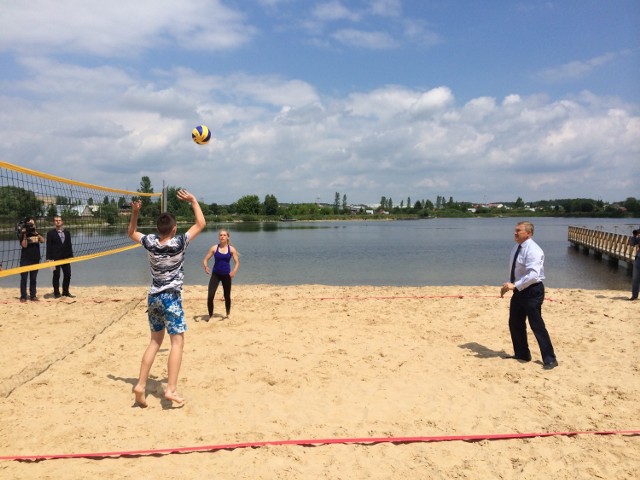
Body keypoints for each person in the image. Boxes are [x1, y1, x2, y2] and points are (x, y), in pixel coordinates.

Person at [128, 189, 205, 407]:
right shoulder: (179, 243)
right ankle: (170, 390)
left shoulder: (151, 242)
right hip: (171, 297)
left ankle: (140, 385)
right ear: (174, 229)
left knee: (154, 341)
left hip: (153, 298)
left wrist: (135, 213)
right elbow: (200, 223)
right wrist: (193, 200)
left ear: (157, 229)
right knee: (177, 343)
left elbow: (132, 232)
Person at [501, 221, 558, 370]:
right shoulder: (516, 247)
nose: (515, 233)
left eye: (518, 231)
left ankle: (550, 359)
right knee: (515, 322)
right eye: (515, 230)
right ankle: (522, 354)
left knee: (537, 325)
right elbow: (517, 270)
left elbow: (533, 275)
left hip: (533, 291)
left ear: (528, 233)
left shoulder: (533, 250)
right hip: (519, 291)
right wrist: (511, 285)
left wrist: (515, 285)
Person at [203, 230, 240, 320]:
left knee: (227, 296)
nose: (222, 236)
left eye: (224, 235)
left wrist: (234, 271)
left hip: (226, 275)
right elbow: (205, 259)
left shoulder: (231, 249)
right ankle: (210, 315)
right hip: (216, 274)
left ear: (227, 237)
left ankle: (228, 314)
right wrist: (205, 266)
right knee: (210, 296)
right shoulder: (214, 248)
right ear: (219, 237)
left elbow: (237, 262)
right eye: (221, 235)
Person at [46, 215, 74, 298]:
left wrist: (71, 255)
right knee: (56, 276)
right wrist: (48, 258)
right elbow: (48, 247)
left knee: (68, 274)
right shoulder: (50, 233)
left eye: (59, 220)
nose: (58, 221)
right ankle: (57, 293)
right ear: (54, 222)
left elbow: (69, 245)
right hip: (54, 259)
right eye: (56, 220)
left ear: (62, 222)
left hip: (65, 258)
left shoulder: (67, 233)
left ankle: (65, 292)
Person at [19, 217, 45, 302]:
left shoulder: (36, 232)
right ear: (26, 224)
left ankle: (33, 295)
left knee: (33, 278)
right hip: (25, 259)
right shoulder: (22, 234)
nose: (31, 225)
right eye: (30, 224)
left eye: (33, 224)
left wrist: (36, 233)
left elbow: (43, 240)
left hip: (35, 259)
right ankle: (23, 296)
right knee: (24, 278)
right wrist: (25, 234)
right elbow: (24, 245)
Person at [630, 228, 640, 301]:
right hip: (638, 258)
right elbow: (632, 244)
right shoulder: (639, 237)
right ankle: (634, 296)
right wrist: (634, 235)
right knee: (635, 278)